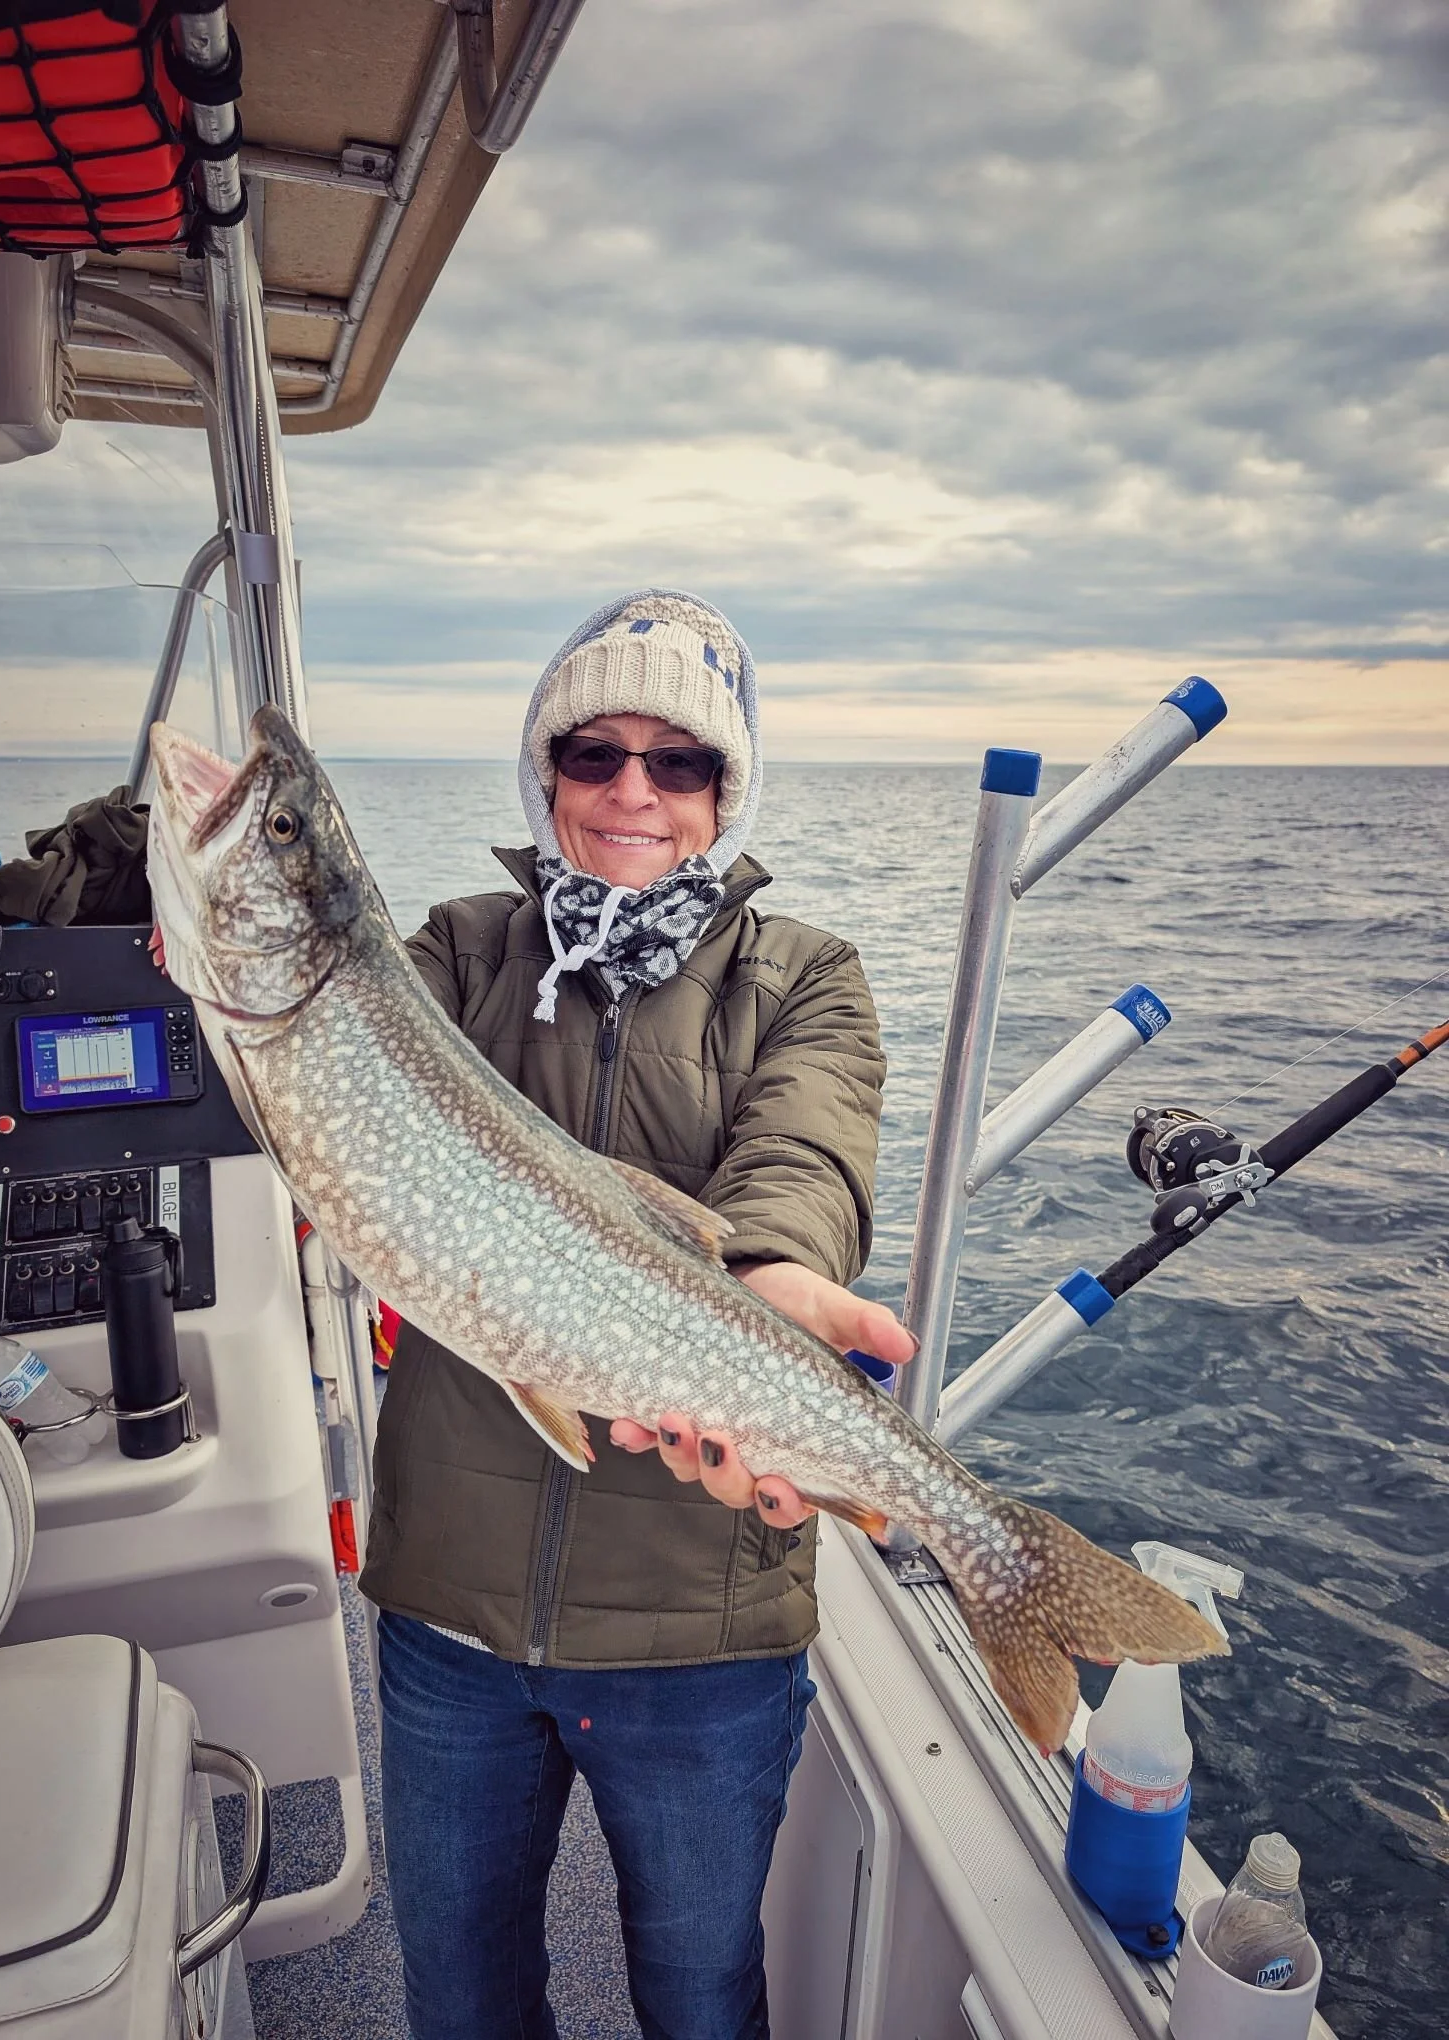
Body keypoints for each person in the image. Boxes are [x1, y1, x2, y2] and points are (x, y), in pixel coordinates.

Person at [360, 589, 915, 2040]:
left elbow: (803, 1156)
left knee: (698, 1992)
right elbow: (320, 1048)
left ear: (726, 792)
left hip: (703, 1627)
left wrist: (768, 1276)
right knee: (460, 1992)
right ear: (544, 773)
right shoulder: (457, 953)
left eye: (679, 762)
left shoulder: (805, 976)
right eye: (592, 752)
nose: (631, 792)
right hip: (452, 1606)